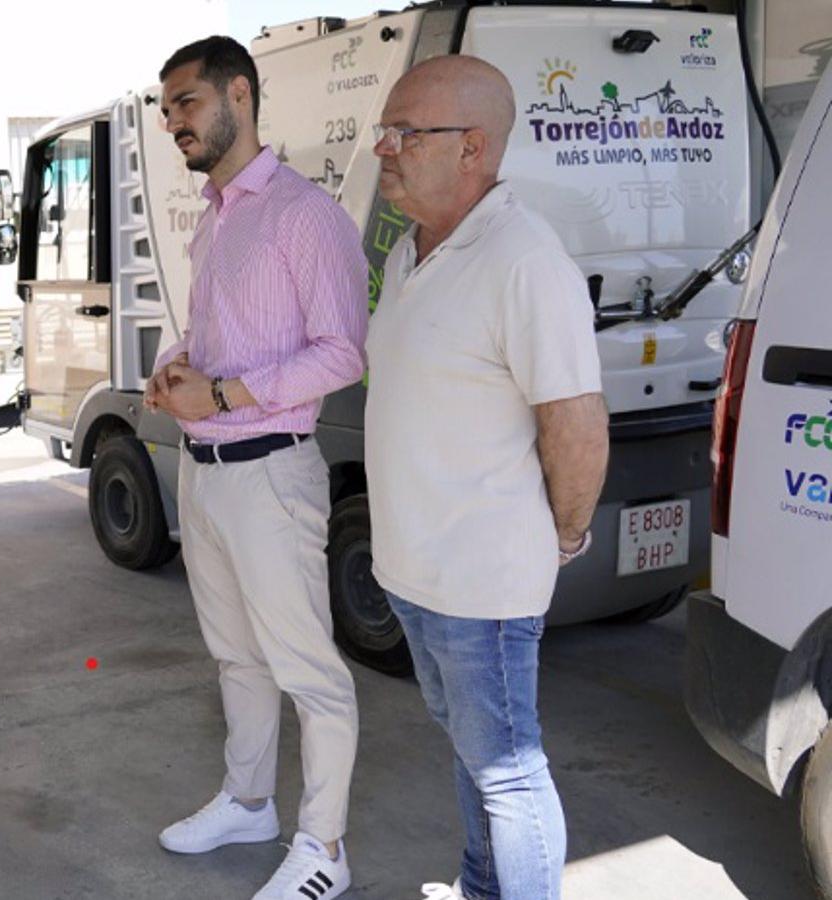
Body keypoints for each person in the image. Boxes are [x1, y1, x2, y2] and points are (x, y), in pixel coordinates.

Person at [363, 55, 609, 900]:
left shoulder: (524, 259)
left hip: (481, 584)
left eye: (405, 133)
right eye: (383, 130)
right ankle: (480, 887)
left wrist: (565, 533)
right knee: (473, 750)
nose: (382, 149)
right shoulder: (412, 249)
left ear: (473, 148)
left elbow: (575, 426)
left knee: (508, 769)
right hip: (415, 573)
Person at [145, 35, 369, 900]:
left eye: (187, 103)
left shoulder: (304, 214)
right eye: (166, 110)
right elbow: (211, 338)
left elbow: (343, 354)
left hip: (273, 472)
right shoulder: (216, 217)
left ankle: (326, 848)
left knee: (308, 669)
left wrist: (229, 394)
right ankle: (248, 802)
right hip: (205, 472)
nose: (174, 123)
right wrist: (176, 368)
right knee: (235, 658)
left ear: (239, 93)